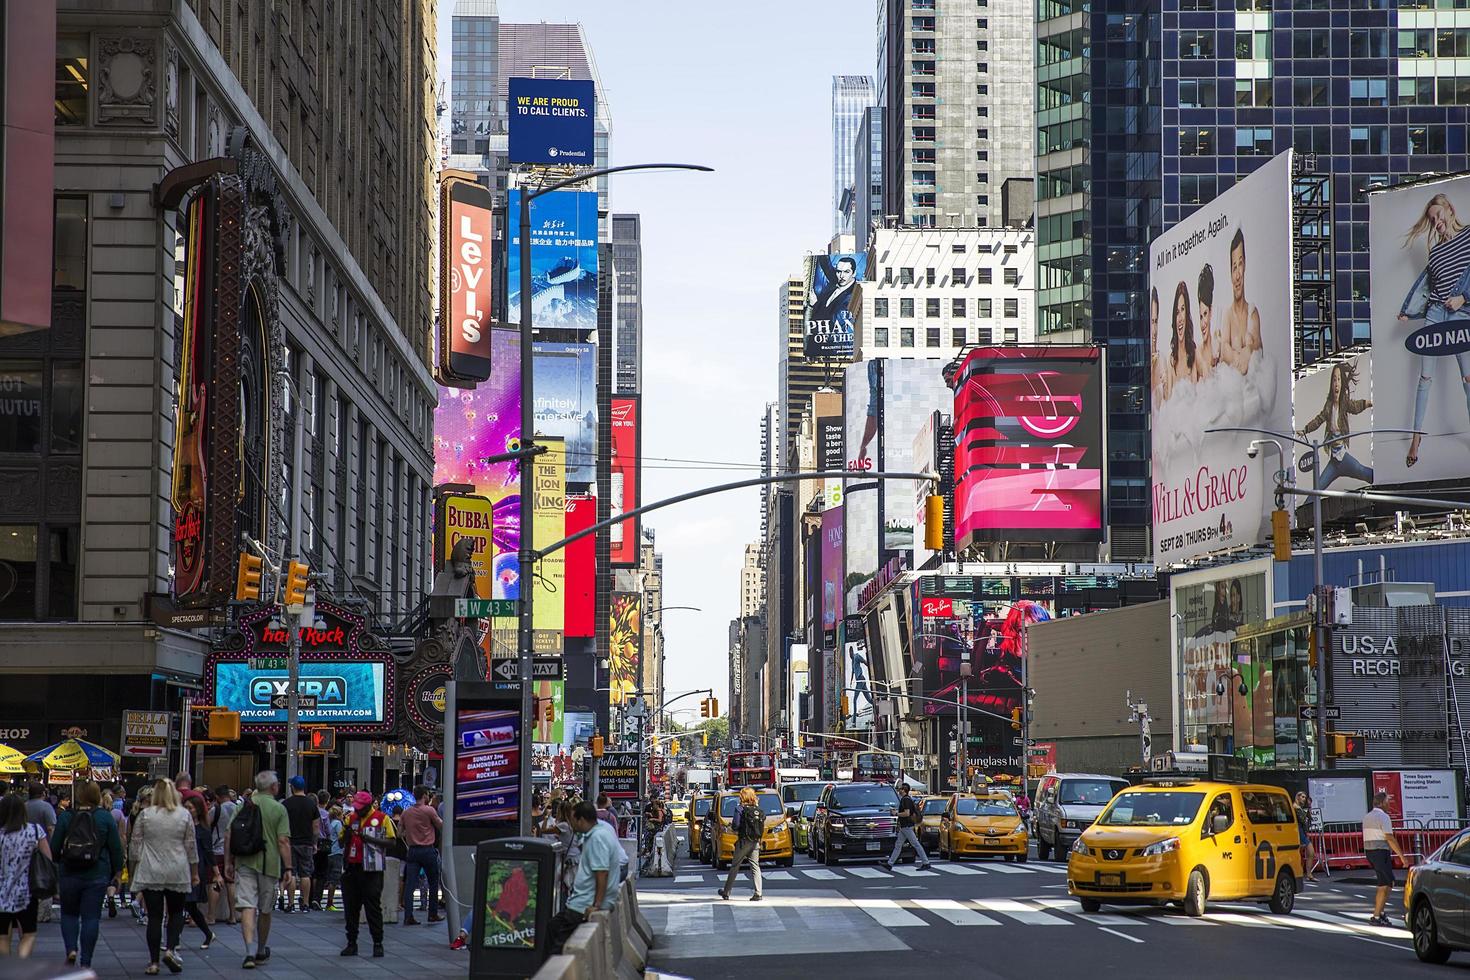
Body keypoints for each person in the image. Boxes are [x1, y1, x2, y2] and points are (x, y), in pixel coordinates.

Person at [129, 778, 200, 975]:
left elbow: (135, 846)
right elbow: (191, 846)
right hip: (177, 869)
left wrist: (134, 870)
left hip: (151, 869)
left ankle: (153, 962)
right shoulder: (184, 815)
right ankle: (171, 948)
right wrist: (194, 873)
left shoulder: (145, 815)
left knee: (154, 916)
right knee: (176, 913)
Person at [224, 771, 293, 971]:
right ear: (273, 787)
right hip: (269, 865)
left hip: (244, 862)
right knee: (265, 909)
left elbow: (229, 834)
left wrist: (228, 862)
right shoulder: (279, 809)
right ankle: (261, 948)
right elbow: (283, 841)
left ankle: (248, 951)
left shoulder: (242, 806)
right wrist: (288, 867)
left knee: (247, 906)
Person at [53, 779, 124, 969]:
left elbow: (54, 848)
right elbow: (116, 848)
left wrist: (59, 863)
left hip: (69, 872)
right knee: (91, 918)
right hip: (97, 873)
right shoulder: (105, 817)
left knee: (69, 914)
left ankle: (71, 949)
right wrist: (117, 872)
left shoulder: (66, 817)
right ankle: (86, 962)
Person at [548, 802, 620, 954]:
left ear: (581, 820)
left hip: (582, 906)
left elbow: (602, 872)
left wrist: (597, 904)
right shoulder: (601, 831)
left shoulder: (597, 838)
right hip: (580, 902)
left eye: (573, 819)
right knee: (552, 926)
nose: (571, 823)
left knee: (556, 946)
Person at [339, 790, 396, 957]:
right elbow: (341, 842)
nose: (357, 810)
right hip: (352, 868)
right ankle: (351, 942)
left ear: (368, 806)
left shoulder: (382, 818)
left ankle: (377, 943)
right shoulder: (350, 818)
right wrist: (347, 836)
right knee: (351, 909)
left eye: (360, 808)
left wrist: (370, 839)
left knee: (373, 908)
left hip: (372, 871)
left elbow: (392, 842)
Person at [1300, 361, 1374, 487]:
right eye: (1334, 380)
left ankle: (1386, 480)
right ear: (1331, 384)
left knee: (1364, 472)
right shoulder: (1329, 405)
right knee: (1317, 488)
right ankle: (1310, 504)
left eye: (1339, 379)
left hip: (1344, 458)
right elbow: (1319, 419)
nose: (1336, 384)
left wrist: (1369, 403)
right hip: (1334, 462)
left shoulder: (1344, 403)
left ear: (1342, 383)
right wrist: (1305, 430)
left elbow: (1355, 406)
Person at [0, 792, 53, 958]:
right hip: (27, 891)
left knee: (2, 936)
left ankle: (6, 969)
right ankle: (20, 966)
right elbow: (47, 858)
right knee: (28, 934)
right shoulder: (35, 831)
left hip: (1, 892)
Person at [1222, 227, 1264, 375]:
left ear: (1245, 265)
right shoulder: (1227, 315)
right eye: (1234, 267)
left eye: (1240, 264)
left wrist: (1249, 349)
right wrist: (1237, 357)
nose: (1238, 274)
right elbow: (1224, 349)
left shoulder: (1252, 312)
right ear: (1230, 273)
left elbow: (1258, 344)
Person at [398, 786, 442, 925]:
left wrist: (410, 834)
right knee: (433, 882)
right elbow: (441, 825)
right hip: (428, 850)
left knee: (410, 884)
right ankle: (432, 913)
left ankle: (408, 916)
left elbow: (399, 833)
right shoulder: (429, 810)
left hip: (412, 851)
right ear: (424, 795)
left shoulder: (406, 812)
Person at [1364, 791, 1409, 926]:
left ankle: (1381, 912)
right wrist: (1402, 857)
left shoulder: (1367, 816)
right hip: (1380, 851)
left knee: (1388, 883)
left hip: (1370, 851)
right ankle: (1376, 916)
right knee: (1384, 884)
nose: (1389, 804)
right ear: (1382, 803)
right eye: (1388, 801)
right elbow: (1389, 837)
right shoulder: (1384, 817)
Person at [180, 796, 216, 949]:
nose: (188, 810)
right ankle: (207, 934)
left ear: (198, 810)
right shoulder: (183, 827)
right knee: (188, 905)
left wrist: (216, 873)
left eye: (191, 808)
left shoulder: (203, 830)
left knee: (187, 903)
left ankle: (175, 940)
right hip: (183, 867)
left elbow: (208, 852)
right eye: (186, 807)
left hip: (195, 869)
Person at [718, 787, 764, 902]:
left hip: (743, 841)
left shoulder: (740, 809)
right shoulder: (757, 809)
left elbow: (735, 825)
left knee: (735, 866)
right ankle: (758, 892)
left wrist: (731, 826)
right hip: (755, 841)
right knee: (755, 866)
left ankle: (726, 892)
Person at [281, 777, 318, 914]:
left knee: (291, 873)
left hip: (290, 843)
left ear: (292, 787)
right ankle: (305, 903)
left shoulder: (286, 804)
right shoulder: (311, 804)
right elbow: (316, 826)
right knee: (305, 874)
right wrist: (314, 843)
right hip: (306, 843)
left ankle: (290, 903)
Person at [23, 785, 55, 926]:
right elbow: (51, 828)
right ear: (43, 793)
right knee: (44, 877)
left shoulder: (23, 807)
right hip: (43, 846)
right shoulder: (46, 807)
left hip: (24, 847)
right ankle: (42, 913)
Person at [884, 783, 931, 871]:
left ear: (904, 790)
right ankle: (889, 864)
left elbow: (907, 813)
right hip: (905, 826)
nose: (899, 791)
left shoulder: (905, 800)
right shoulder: (907, 799)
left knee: (915, 844)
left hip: (907, 826)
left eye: (900, 789)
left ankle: (926, 862)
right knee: (898, 845)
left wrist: (896, 813)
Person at [207, 785, 237, 925]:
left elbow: (206, 825)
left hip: (218, 849)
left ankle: (211, 916)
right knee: (231, 882)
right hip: (234, 851)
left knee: (216, 881)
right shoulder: (239, 808)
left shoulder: (216, 809)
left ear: (218, 797)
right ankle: (233, 915)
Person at [321, 806, 344, 911]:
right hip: (336, 852)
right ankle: (330, 903)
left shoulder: (330, 823)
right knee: (334, 879)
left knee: (328, 877)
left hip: (329, 853)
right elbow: (341, 837)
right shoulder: (338, 824)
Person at [1293, 791, 1318, 883]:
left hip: (1302, 831)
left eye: (1305, 797)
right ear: (1298, 797)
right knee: (1305, 852)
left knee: (1310, 852)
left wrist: (1309, 808)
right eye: (1302, 797)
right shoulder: (1295, 807)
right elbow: (1303, 819)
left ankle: (1308, 873)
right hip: (1297, 831)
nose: (1304, 799)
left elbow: (1308, 819)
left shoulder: (1301, 808)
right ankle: (1304, 873)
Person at [312, 791, 331, 911]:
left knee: (313, 871)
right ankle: (317, 898)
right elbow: (328, 830)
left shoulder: (313, 811)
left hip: (313, 841)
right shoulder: (325, 814)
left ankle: (309, 897)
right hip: (323, 843)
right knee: (322, 872)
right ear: (327, 801)